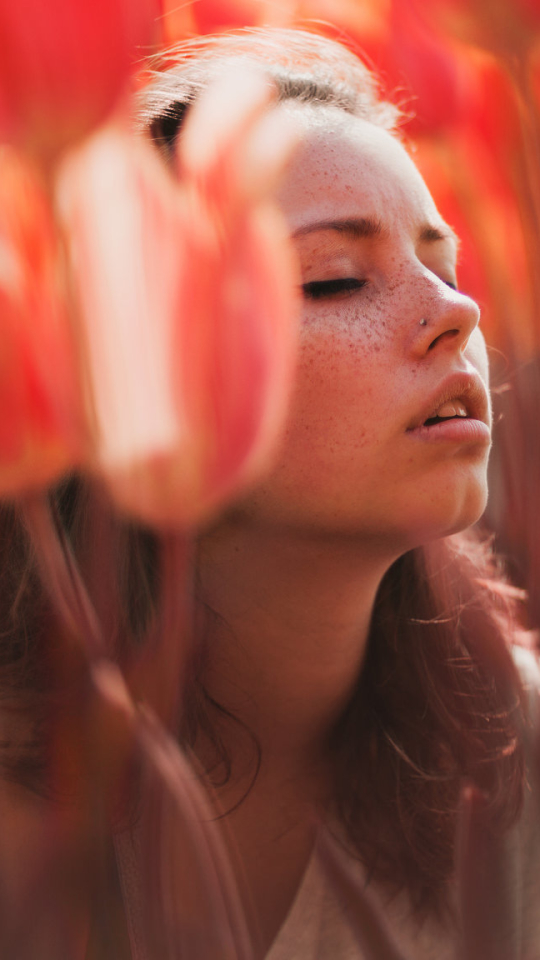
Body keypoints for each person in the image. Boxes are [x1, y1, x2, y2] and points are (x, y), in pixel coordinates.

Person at [1, 25, 540, 960]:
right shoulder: (28, 830)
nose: (457, 312)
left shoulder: (511, 749)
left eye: (445, 267)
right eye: (333, 279)